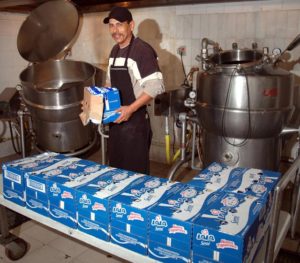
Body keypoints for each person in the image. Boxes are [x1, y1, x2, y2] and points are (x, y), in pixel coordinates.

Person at [103, 6, 165, 174]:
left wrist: (130, 109)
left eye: (119, 25)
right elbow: (109, 82)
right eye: (111, 25)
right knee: (116, 169)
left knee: (135, 174)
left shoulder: (142, 51)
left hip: (136, 123)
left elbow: (156, 86)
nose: (115, 30)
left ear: (131, 25)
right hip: (116, 121)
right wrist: (96, 101)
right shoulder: (114, 51)